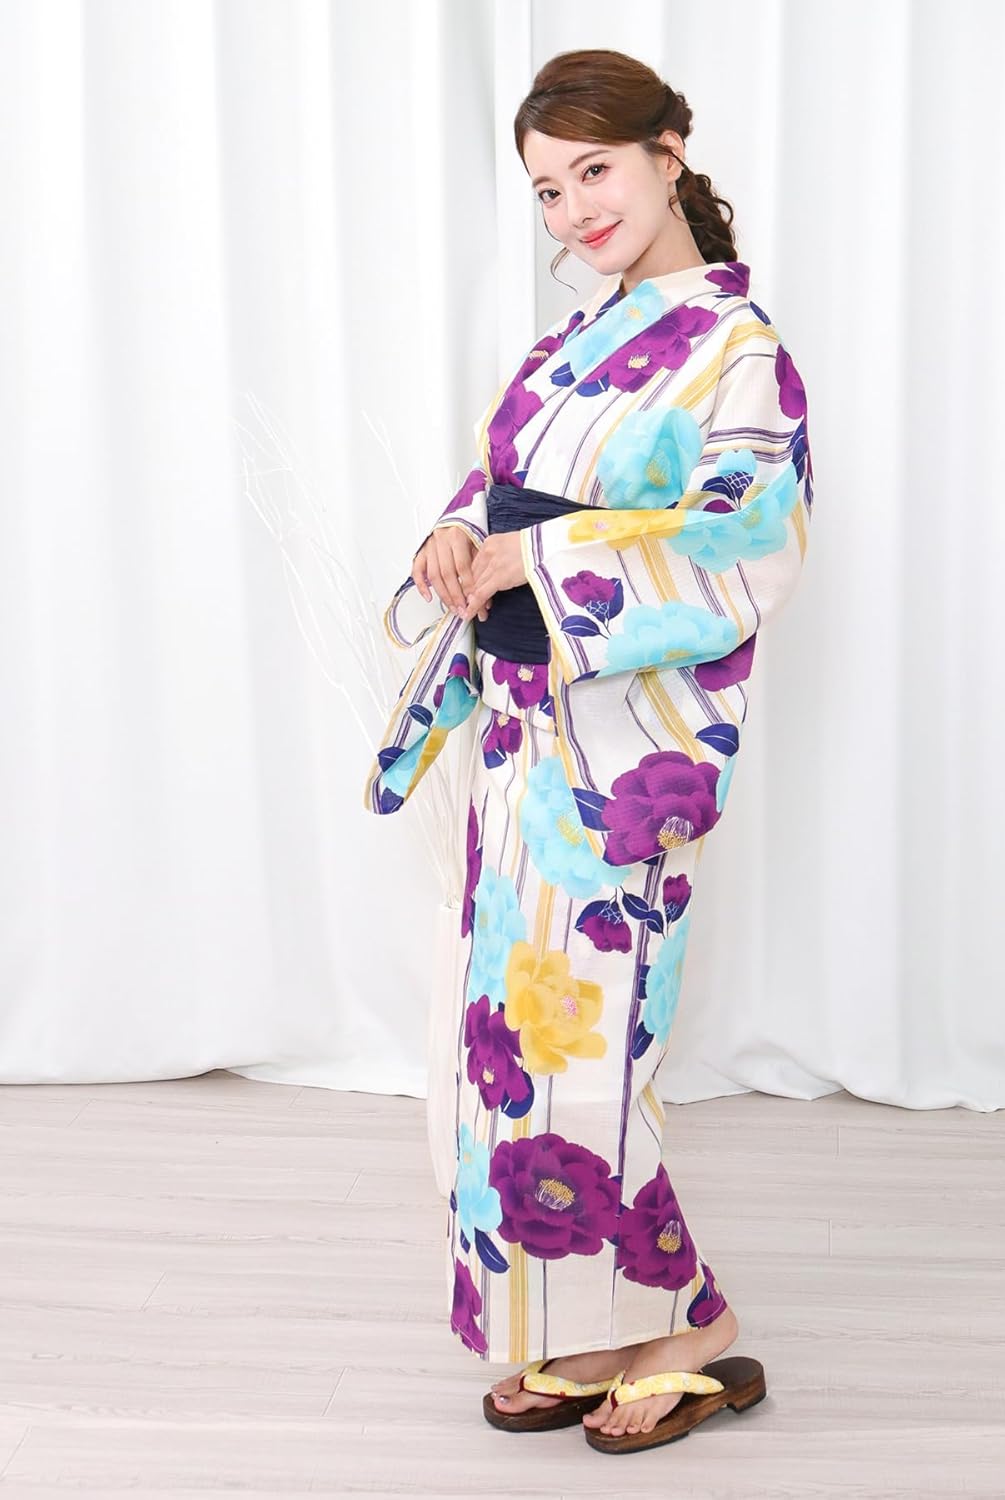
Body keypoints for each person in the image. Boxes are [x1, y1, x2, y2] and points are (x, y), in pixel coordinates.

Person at [363, 48, 813, 1451]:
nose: (574, 209)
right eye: (549, 190)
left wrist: (536, 558)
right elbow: (501, 485)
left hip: (620, 758)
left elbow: (744, 541)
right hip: (518, 735)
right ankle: (587, 1327)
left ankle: (687, 1324)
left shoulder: (740, 354)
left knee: (594, 1048)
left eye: (595, 170)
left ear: (670, 153)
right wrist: (456, 538)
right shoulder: (575, 339)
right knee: (506, 1045)